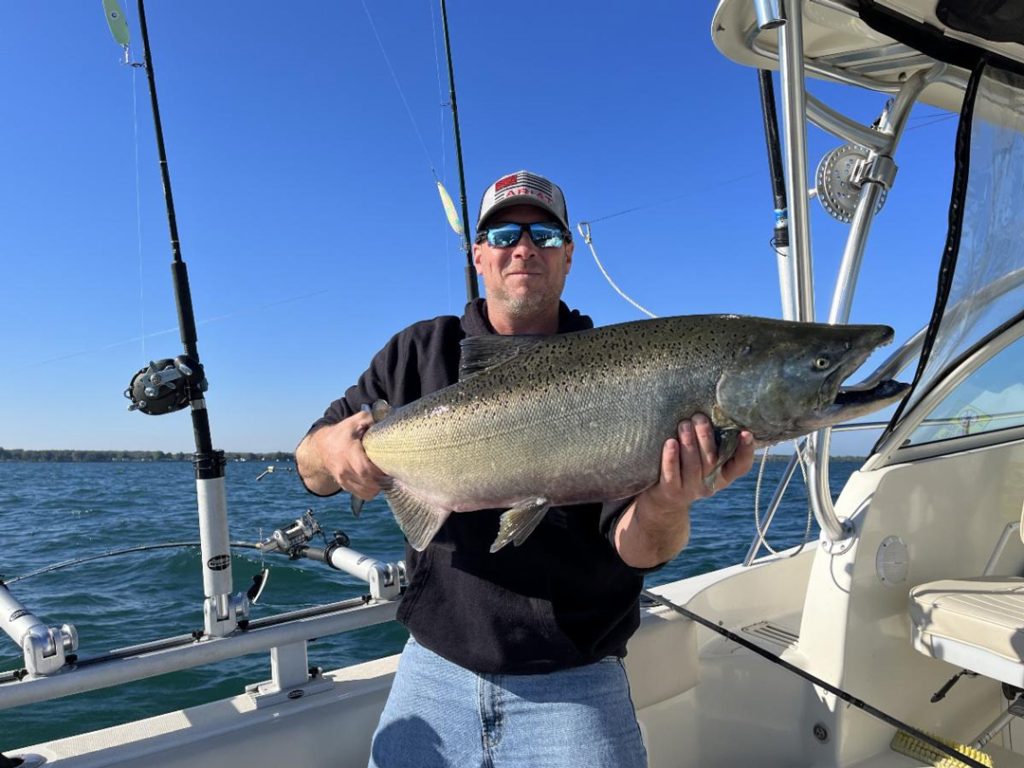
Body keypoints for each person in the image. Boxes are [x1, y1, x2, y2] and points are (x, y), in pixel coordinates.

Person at [296, 170, 755, 767]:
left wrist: (669, 501)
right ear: (478, 255)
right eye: (504, 234)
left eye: (545, 235)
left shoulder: (627, 374)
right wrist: (333, 449)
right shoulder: (416, 354)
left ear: (568, 256)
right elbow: (310, 468)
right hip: (433, 667)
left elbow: (636, 549)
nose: (524, 248)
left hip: (577, 681)